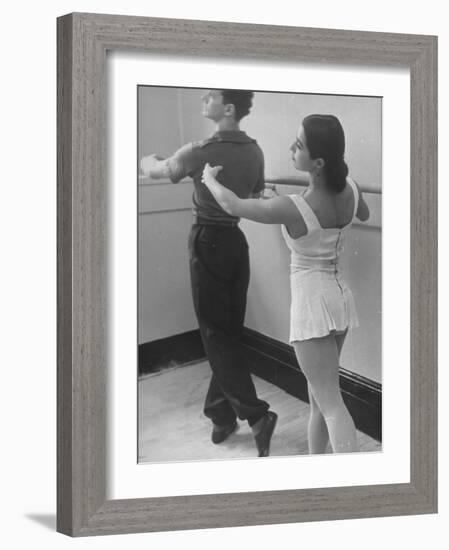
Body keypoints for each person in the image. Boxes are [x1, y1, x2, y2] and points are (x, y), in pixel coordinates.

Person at [202, 114, 370, 454]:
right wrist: (280, 200)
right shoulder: (349, 188)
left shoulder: (293, 207)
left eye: (299, 145)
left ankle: (350, 486)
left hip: (313, 307)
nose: (292, 148)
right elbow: (361, 213)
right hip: (338, 300)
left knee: (332, 406)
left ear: (318, 161)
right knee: (319, 399)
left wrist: (209, 179)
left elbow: (232, 204)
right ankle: (316, 469)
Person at [140, 89, 278, 457]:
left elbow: (159, 169)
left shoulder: (199, 150)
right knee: (228, 332)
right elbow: (256, 192)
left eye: (211, 96)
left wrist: (144, 159)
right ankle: (220, 413)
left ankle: (257, 415)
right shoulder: (255, 151)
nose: (203, 98)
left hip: (207, 243)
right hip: (237, 243)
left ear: (228, 109)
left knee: (215, 335)